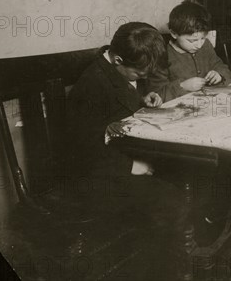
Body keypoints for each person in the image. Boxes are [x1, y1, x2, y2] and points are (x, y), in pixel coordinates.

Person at [65, 22, 190, 274]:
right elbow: (84, 152)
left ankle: (168, 258)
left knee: (187, 171)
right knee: (171, 201)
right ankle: (167, 272)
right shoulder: (91, 86)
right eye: (139, 74)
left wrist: (143, 99)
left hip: (125, 154)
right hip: (99, 174)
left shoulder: (118, 69)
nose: (143, 78)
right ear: (118, 59)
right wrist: (134, 167)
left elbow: (124, 95)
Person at [146, 1, 231, 102]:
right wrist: (182, 86)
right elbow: (155, 95)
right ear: (174, 33)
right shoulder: (162, 55)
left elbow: (223, 68)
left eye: (203, 38)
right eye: (192, 40)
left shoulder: (206, 45)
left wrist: (219, 75)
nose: (199, 45)